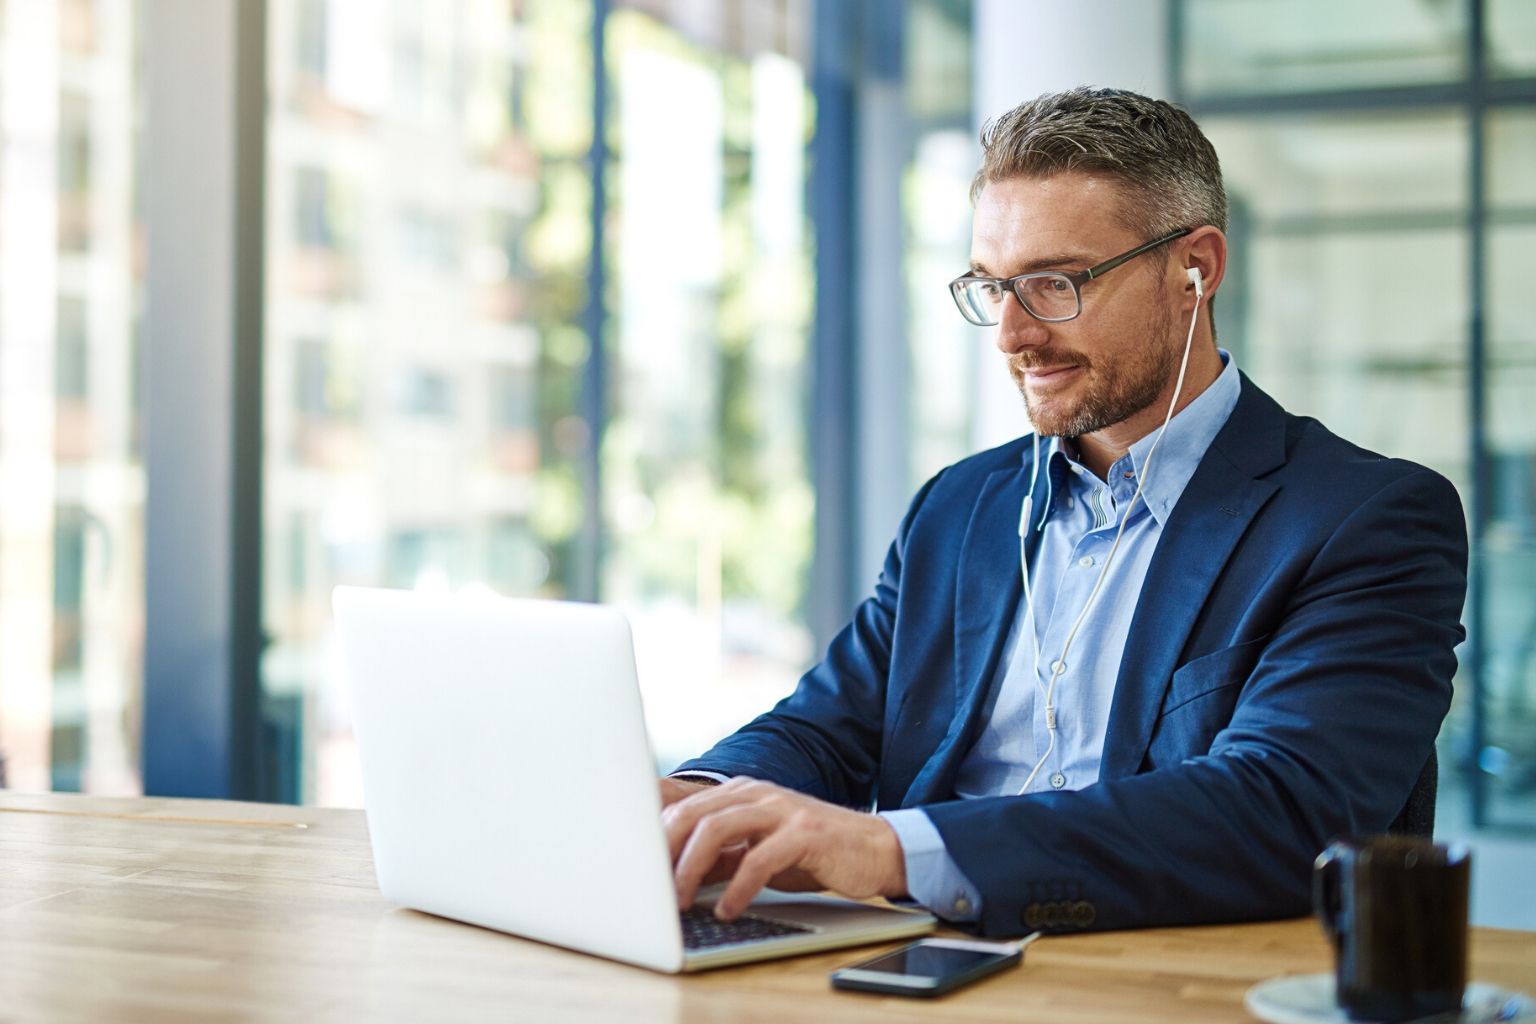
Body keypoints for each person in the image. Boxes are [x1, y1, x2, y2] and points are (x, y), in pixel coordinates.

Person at [658, 86, 1468, 937]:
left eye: (1053, 283)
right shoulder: (958, 507)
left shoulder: (1367, 519)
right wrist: (699, 803)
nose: (1011, 334)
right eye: (991, 286)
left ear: (1197, 267)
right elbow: (829, 727)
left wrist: (894, 851)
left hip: (1163, 979)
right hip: (921, 967)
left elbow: (1280, 812)